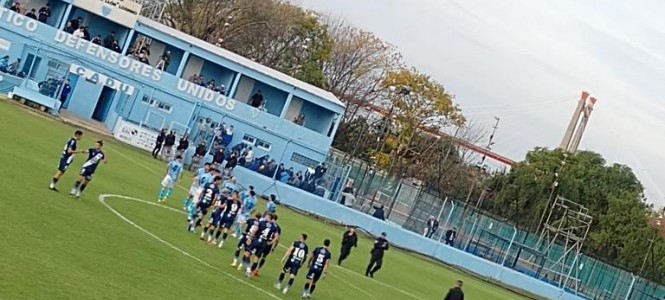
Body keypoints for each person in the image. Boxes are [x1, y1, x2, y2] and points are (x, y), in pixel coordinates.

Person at [244, 213, 278, 277]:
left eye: (266, 216)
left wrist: (250, 238)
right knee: (257, 257)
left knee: (247, 253)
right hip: (264, 244)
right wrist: (270, 242)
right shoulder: (274, 226)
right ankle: (250, 272)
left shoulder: (261, 222)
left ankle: (248, 268)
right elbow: (276, 237)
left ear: (268, 217)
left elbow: (254, 230)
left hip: (257, 240)